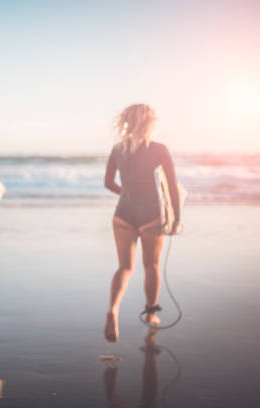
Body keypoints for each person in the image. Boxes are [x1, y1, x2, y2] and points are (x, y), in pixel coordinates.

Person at [103, 104, 180, 343]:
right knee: (152, 265)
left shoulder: (118, 149)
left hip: (123, 214)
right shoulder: (159, 150)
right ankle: (151, 314)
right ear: (150, 123)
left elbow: (108, 183)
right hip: (150, 216)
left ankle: (113, 309)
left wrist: (126, 193)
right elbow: (173, 188)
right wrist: (175, 218)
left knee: (124, 267)